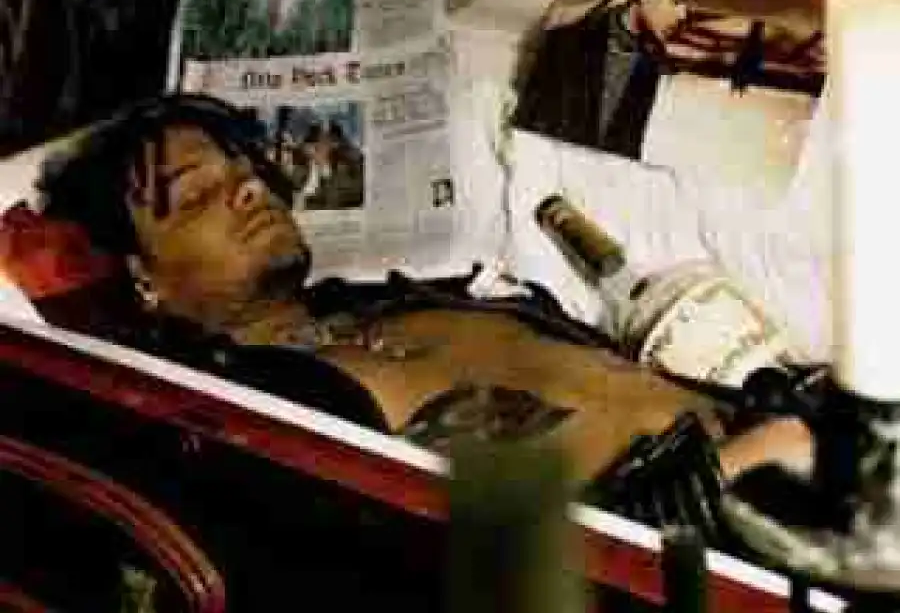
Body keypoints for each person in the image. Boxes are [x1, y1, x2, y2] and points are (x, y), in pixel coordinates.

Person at [36, 93, 817, 541]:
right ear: (142, 276)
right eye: (198, 193)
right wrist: (729, 475)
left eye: (246, 170)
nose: (249, 189)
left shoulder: (410, 296)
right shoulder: (258, 424)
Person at [513, 0, 717, 160]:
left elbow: (628, 151)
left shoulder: (649, 68)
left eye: (687, 4)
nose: (682, 14)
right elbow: (524, 133)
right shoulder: (564, 42)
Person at [299, 120, 365, 210]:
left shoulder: (352, 170)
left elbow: (336, 201)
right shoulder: (303, 172)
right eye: (313, 147)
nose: (313, 152)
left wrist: (325, 169)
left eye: (323, 144)